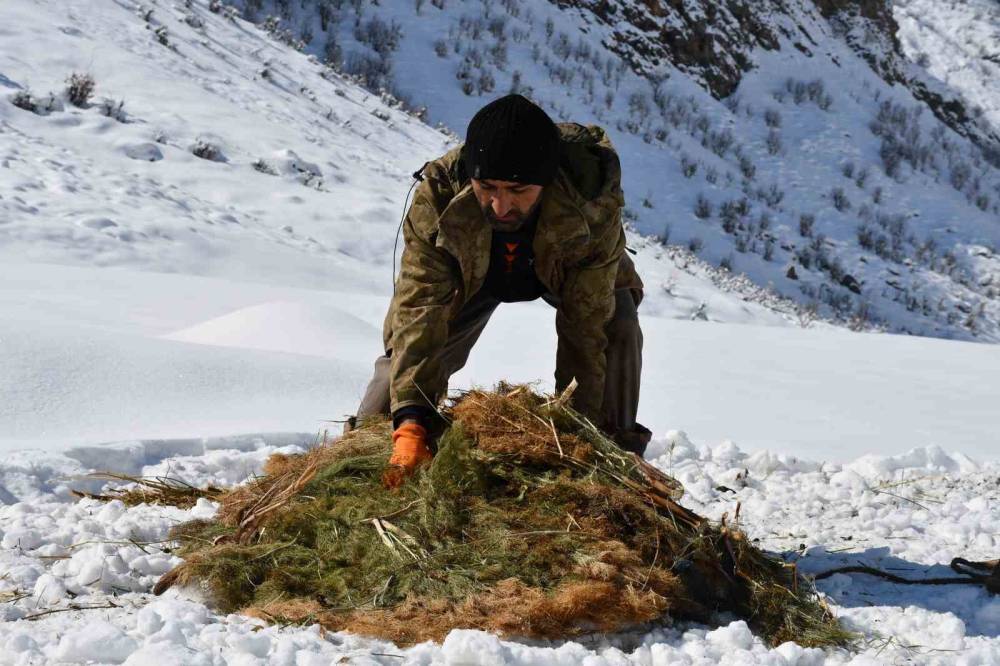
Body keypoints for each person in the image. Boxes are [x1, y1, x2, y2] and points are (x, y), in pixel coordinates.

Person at [350, 94, 650, 484]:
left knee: (618, 325)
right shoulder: (439, 197)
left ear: (545, 181)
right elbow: (419, 306)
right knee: (398, 374)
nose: (500, 205)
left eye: (518, 189)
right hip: (470, 275)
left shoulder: (590, 197)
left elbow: (586, 325)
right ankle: (366, 455)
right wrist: (409, 421)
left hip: (568, 270)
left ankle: (613, 456)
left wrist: (579, 436)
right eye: (487, 186)